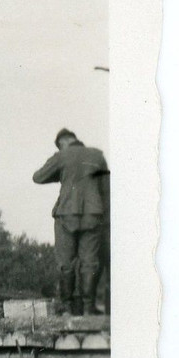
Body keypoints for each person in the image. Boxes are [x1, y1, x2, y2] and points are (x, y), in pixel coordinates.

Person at [32, 128, 110, 315]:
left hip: (66, 215)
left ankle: (67, 308)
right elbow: (106, 189)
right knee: (89, 262)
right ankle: (88, 309)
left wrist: (60, 168)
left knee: (65, 263)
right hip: (94, 215)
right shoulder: (97, 155)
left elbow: (38, 177)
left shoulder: (62, 156)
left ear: (63, 143)